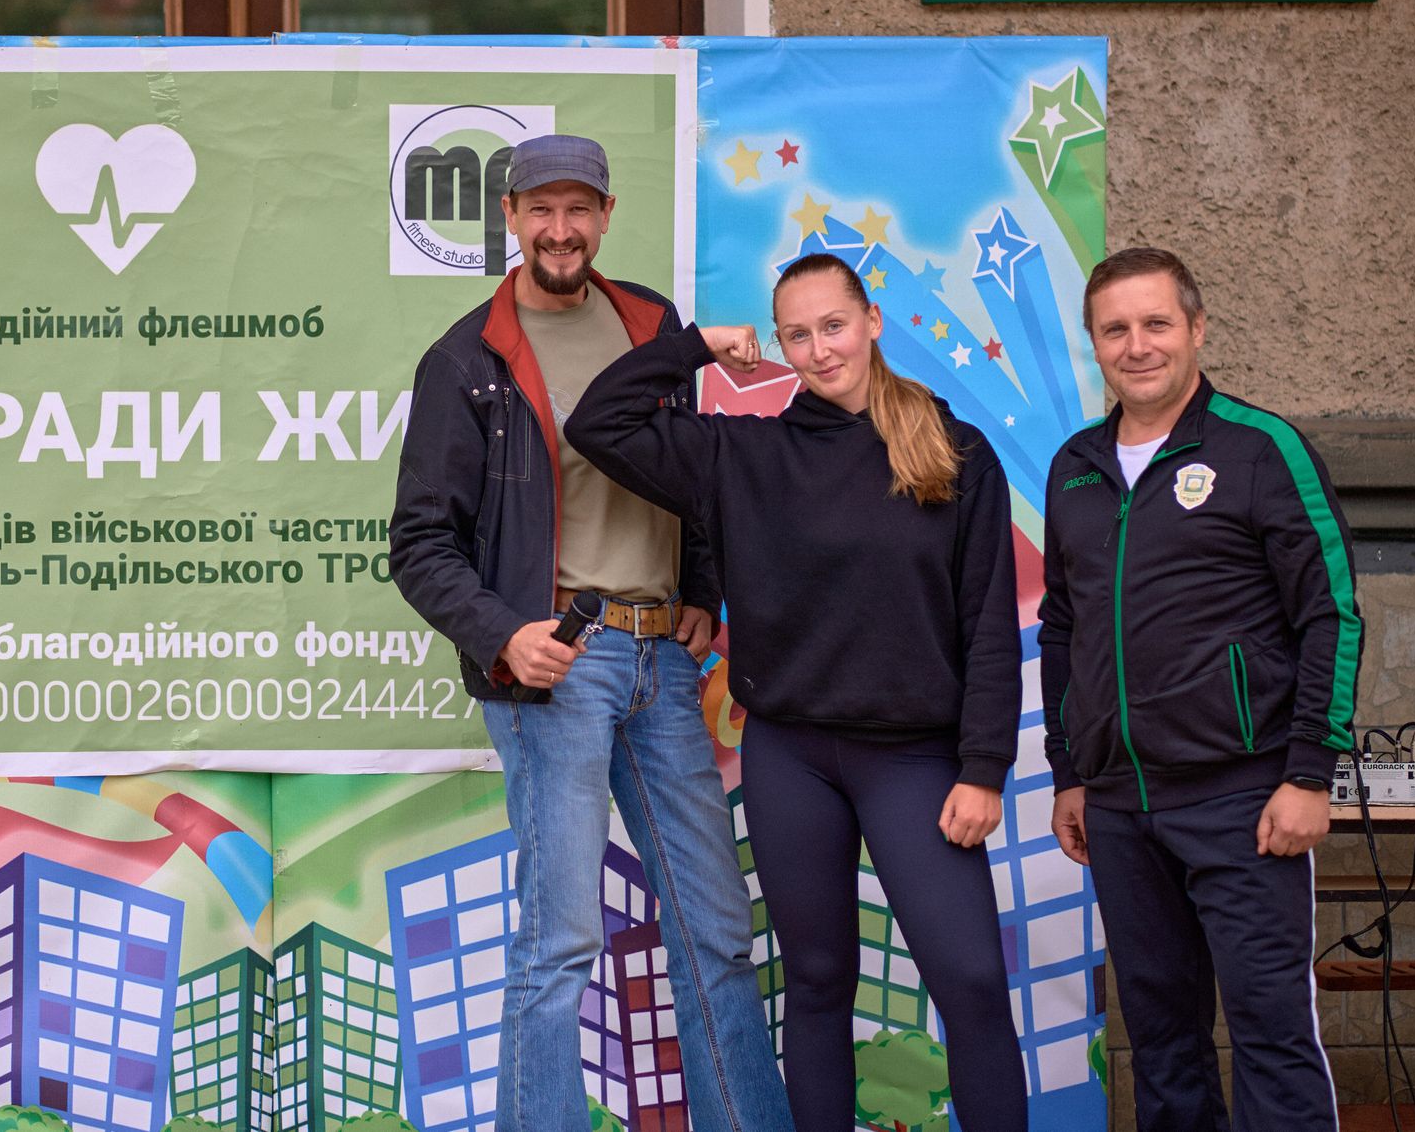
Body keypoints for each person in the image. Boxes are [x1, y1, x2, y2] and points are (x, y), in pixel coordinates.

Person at [565, 251, 1027, 1131]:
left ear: (872, 322)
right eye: (798, 335)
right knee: (816, 982)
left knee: (970, 982)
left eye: (835, 326)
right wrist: (695, 346)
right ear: (778, 345)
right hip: (791, 759)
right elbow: (600, 423)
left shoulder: (956, 451)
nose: (821, 350)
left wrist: (984, 768)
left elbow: (989, 625)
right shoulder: (747, 455)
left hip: (914, 760)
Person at [388, 134, 793, 1132]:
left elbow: (692, 468)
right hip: (561, 666)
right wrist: (502, 636)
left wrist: (702, 586)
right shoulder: (466, 359)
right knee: (560, 944)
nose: (560, 229)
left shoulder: (652, 325)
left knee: (716, 932)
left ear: (607, 215)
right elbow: (420, 543)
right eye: (540, 209)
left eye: (578, 209)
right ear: (511, 218)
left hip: (665, 661)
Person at [1039, 246, 1358, 1131]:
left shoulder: (1260, 448)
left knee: (1271, 1035)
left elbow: (1331, 613)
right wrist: (1069, 773)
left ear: (1197, 328)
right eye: (1115, 329)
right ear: (1094, 344)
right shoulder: (1074, 466)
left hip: (1244, 801)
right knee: (1162, 1046)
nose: (1137, 345)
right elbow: (1063, 628)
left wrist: (1309, 773)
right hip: (1118, 811)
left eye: (1156, 323)